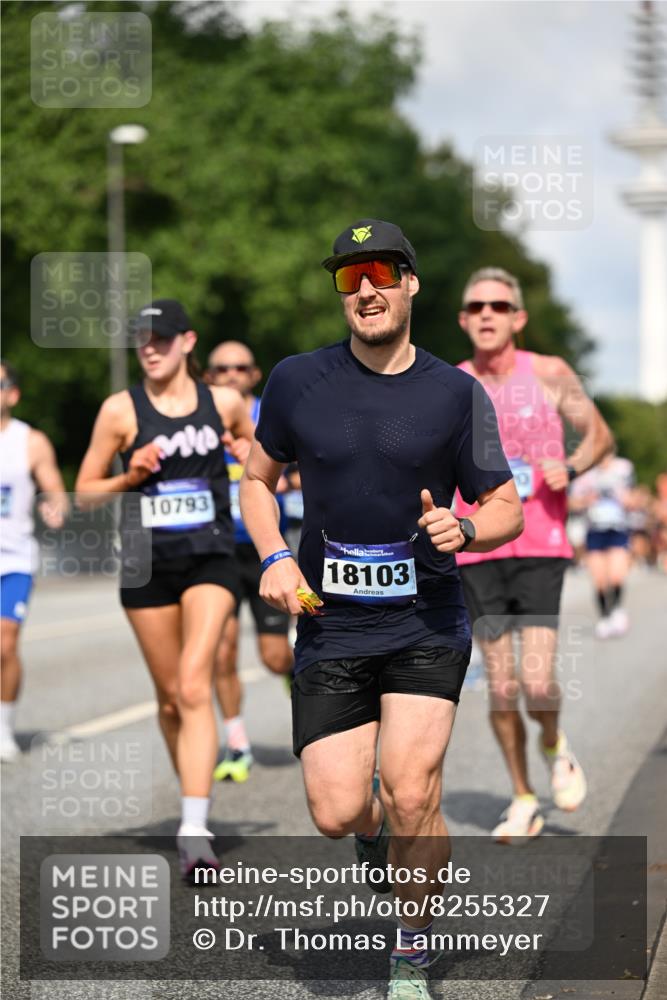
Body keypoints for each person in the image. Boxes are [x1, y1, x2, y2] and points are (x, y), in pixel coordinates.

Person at [239, 221, 523, 999]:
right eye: (348, 278)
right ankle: (374, 836)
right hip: (329, 622)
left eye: (381, 273)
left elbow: (506, 507)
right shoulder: (298, 380)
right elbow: (256, 480)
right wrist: (273, 555)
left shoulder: (453, 392)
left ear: (410, 284)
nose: (364, 289)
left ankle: (409, 950)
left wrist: (462, 527)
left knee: (411, 789)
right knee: (337, 811)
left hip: (426, 620)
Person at [75, 300, 254, 880]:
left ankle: (195, 830)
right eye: (140, 339)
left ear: (187, 341)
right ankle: (193, 798)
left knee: (194, 682)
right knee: (171, 699)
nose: (149, 347)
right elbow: (84, 492)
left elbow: (266, 462)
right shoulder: (119, 411)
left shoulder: (224, 403)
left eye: (161, 337)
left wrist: (244, 453)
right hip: (146, 566)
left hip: (210, 559)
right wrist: (130, 475)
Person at [455, 267, 614, 845]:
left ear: (518, 317)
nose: (488, 314)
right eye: (476, 307)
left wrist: (570, 466)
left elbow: (600, 436)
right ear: (463, 319)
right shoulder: (451, 383)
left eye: (499, 305)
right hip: (477, 546)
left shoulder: (547, 372)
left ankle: (553, 744)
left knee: (538, 681)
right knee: (501, 686)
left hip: (541, 543)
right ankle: (523, 797)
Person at [205, 340, 293, 784]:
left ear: (254, 374)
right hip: (215, 551)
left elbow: (302, 473)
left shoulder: (272, 416)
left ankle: (293, 675)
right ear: (209, 377)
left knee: (275, 657)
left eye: (240, 367)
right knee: (221, 652)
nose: (231, 375)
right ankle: (237, 744)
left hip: (265, 548)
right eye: (221, 369)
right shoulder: (197, 423)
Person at [1, 360, 68, 762]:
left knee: (5, 643)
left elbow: (54, 489)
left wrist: (54, 508)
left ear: (12, 394)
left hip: (14, 558)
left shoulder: (30, 441)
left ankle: (4, 727)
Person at [569, 452, 635, 638]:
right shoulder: (585, 474)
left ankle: (616, 610)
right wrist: (585, 501)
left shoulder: (623, 468)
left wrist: (624, 499)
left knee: (616, 576)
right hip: (594, 531)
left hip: (617, 529)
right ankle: (605, 617)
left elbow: (632, 498)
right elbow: (572, 503)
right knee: (599, 580)